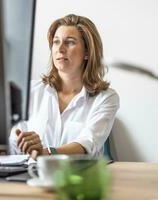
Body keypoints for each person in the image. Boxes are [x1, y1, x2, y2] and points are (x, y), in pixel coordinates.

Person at [9, 14, 119, 160]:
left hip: (80, 179)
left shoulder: (106, 98)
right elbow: (12, 143)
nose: (60, 49)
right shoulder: (30, 92)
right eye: (56, 42)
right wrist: (23, 143)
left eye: (70, 42)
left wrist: (45, 152)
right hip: (29, 176)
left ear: (87, 52)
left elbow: (87, 144)